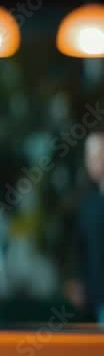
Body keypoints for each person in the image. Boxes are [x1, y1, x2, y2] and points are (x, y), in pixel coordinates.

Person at [68, 131, 104, 323]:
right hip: (94, 299)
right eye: (91, 157)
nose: (95, 161)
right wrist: (77, 281)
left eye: (99, 155)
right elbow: (79, 247)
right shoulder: (87, 205)